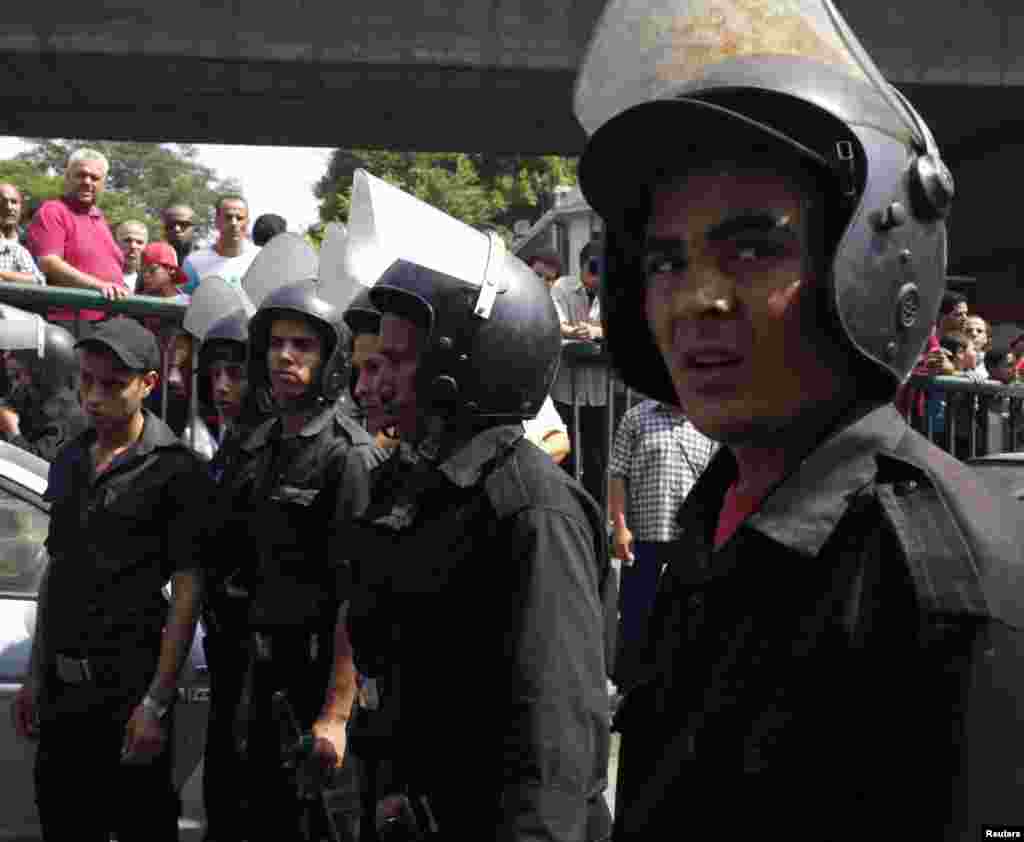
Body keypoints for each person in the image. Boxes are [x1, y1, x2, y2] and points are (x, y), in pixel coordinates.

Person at [574, 0, 1024, 837]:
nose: (695, 300)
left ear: (866, 263)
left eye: (753, 248)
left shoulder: (941, 587)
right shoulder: (719, 514)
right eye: (668, 261)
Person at [346, 203, 613, 839]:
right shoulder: (414, 486)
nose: (380, 382)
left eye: (402, 360)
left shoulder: (530, 508)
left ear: (464, 367)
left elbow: (551, 747)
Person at [10, 317, 211, 842]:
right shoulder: (72, 458)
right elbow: (58, 566)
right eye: (86, 382)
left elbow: (186, 593)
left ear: (147, 384)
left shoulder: (175, 470)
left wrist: (155, 703)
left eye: (111, 384)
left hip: (129, 696)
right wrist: (35, 675)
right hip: (63, 697)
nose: (94, 397)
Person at [205, 281, 384, 841]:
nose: (285, 355)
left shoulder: (348, 456)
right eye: (277, 343)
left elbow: (356, 597)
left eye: (303, 345)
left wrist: (334, 713)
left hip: (313, 686)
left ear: (331, 360)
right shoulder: (253, 445)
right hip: (250, 679)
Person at [607, 398, 717, 690]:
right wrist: (620, 526)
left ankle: (677, 683)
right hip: (644, 535)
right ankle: (628, 686)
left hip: (690, 538)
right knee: (635, 612)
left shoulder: (708, 420)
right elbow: (618, 475)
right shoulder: (635, 418)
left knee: (686, 613)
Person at [28, 148, 130, 331]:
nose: (87, 182)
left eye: (95, 178)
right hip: (71, 323)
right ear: (67, 177)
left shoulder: (100, 219)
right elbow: (49, 263)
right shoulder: (53, 210)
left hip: (111, 320)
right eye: (80, 175)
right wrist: (100, 286)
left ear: (103, 184)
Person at [549, 239, 610, 507]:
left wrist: (597, 332)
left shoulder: (612, 291)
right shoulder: (563, 286)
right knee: (568, 459)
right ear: (581, 266)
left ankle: (595, 513)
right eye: (592, 270)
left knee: (597, 460)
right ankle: (566, 511)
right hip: (565, 391)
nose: (595, 278)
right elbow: (554, 320)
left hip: (598, 395)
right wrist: (575, 331)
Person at [0, 319, 89, 461]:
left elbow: (34, 468)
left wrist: (12, 432)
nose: (15, 380)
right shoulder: (31, 392)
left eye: (19, 373)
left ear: (41, 375)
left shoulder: (68, 420)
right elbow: (8, 404)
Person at [182, 195, 260, 295]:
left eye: (239, 218)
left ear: (247, 222)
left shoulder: (262, 257)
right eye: (228, 217)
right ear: (216, 221)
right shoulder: (193, 262)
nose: (234, 223)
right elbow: (186, 304)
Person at [0, 184, 45, 285]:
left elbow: (40, 281)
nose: (8, 207)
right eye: (2, 202)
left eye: (14, 202)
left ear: (22, 208)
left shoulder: (33, 243)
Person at [116, 220, 148, 293]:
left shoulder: (149, 284)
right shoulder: (100, 278)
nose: (133, 246)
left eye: (139, 242)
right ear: (116, 243)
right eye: (127, 240)